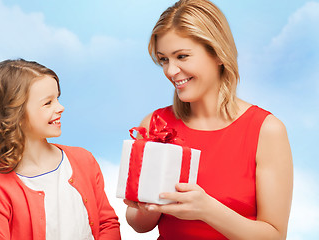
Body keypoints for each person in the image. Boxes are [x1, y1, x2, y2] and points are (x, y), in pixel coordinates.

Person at [124, 0, 293, 239]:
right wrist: (149, 207)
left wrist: (206, 209)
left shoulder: (266, 131)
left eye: (182, 56)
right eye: (164, 59)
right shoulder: (154, 124)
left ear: (218, 54)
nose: (171, 71)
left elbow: (275, 235)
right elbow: (139, 224)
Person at [0, 59, 121, 240]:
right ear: (13, 114)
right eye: (48, 103)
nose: (60, 107)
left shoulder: (83, 160)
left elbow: (107, 223)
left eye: (57, 98)